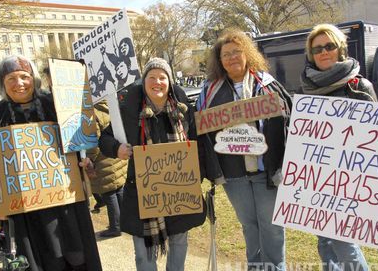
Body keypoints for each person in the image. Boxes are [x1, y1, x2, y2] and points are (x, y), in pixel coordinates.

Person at [0, 55, 102, 270]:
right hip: (24, 212)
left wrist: (85, 162)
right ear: (2, 84)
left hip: (66, 203)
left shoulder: (55, 105)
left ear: (33, 78)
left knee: (77, 258)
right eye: (11, 79)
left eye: (24, 76)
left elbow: (80, 141)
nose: (19, 83)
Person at [196, 29, 292, 271]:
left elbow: (290, 120)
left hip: (267, 170)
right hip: (233, 174)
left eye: (236, 51)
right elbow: (199, 129)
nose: (231, 58)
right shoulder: (209, 91)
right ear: (219, 61)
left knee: (271, 226)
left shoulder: (268, 84)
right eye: (225, 54)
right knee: (249, 225)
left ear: (247, 53)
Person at [99, 57, 206, 271]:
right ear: (144, 81)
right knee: (143, 255)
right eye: (152, 77)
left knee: (179, 245)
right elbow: (104, 139)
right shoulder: (127, 112)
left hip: (180, 192)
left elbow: (199, 144)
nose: (157, 82)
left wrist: (199, 176)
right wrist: (116, 149)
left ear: (170, 81)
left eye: (162, 77)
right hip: (142, 194)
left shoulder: (184, 111)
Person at [301, 23, 377, 271]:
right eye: (318, 48)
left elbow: (376, 139)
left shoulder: (359, 86)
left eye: (329, 46)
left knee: (346, 246)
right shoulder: (308, 90)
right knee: (324, 243)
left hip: (350, 181)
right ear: (311, 54)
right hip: (318, 180)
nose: (324, 52)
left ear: (340, 49)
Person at [86, 100, 127, 237]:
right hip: (116, 154)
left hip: (102, 158)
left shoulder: (92, 113)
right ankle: (124, 223)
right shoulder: (111, 105)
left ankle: (116, 227)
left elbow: (93, 142)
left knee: (109, 194)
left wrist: (89, 159)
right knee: (118, 189)